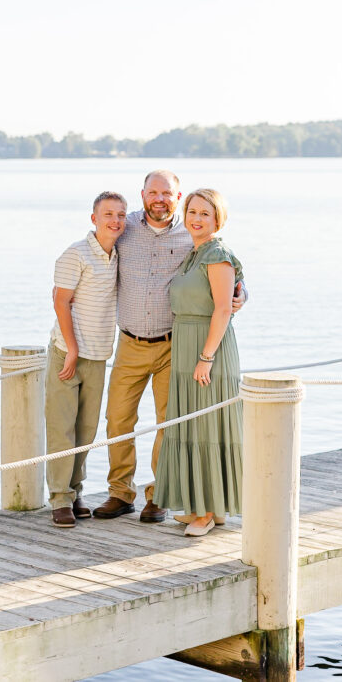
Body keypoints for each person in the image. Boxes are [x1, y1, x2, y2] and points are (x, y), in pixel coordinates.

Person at [93, 171, 246, 523]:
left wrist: (242, 294)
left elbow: (227, 273)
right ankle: (120, 493)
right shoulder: (125, 228)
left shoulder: (192, 232)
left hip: (172, 345)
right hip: (130, 342)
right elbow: (93, 247)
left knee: (170, 423)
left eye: (167, 193)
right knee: (117, 418)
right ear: (143, 194)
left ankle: (159, 494)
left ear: (178, 197)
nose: (159, 199)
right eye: (153, 192)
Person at [153, 188, 243, 537]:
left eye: (205, 213)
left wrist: (206, 357)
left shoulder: (217, 254)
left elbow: (223, 309)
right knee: (192, 427)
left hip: (208, 347)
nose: (196, 218)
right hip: (185, 345)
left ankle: (206, 513)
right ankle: (206, 507)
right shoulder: (194, 253)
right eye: (192, 211)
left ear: (218, 219)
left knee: (207, 427)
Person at [45, 191, 127, 528]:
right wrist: (72, 349)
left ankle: (75, 491)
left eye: (120, 215)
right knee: (61, 428)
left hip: (99, 354)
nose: (115, 221)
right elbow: (60, 301)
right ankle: (59, 498)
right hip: (67, 353)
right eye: (108, 214)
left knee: (86, 431)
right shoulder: (75, 254)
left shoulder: (120, 255)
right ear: (94, 218)